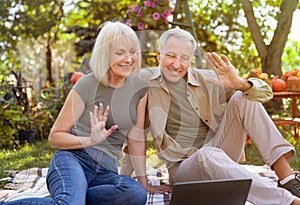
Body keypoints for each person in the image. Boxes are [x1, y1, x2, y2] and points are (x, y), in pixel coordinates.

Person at [120, 27, 300, 205]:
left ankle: (287, 178)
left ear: (190, 60)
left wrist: (239, 83)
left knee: (244, 97)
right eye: (171, 56)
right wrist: (137, 182)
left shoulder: (206, 79)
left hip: (220, 153)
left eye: (184, 58)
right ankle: (288, 202)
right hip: (183, 168)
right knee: (206, 154)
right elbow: (136, 133)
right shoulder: (144, 81)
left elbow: (265, 95)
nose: (177, 64)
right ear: (159, 55)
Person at [1, 20, 170, 205]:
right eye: (120, 53)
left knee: (135, 194)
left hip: (106, 172)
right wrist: (90, 140)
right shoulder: (87, 84)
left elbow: (136, 137)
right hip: (73, 160)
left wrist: (144, 182)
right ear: (105, 54)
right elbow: (55, 137)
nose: (129, 59)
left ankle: (76, 198)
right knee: (69, 203)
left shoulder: (139, 87)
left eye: (132, 52)